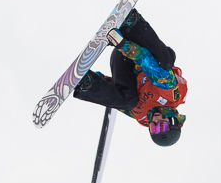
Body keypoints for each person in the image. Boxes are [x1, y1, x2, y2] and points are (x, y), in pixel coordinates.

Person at [72, 9, 187, 147]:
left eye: (154, 128)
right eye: (161, 126)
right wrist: (123, 45)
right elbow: (148, 63)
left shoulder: (142, 117)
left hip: (122, 63)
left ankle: (85, 84)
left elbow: (116, 95)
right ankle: (132, 24)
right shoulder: (171, 96)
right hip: (135, 50)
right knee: (166, 61)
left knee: (128, 102)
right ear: (172, 122)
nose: (156, 123)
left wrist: (95, 82)